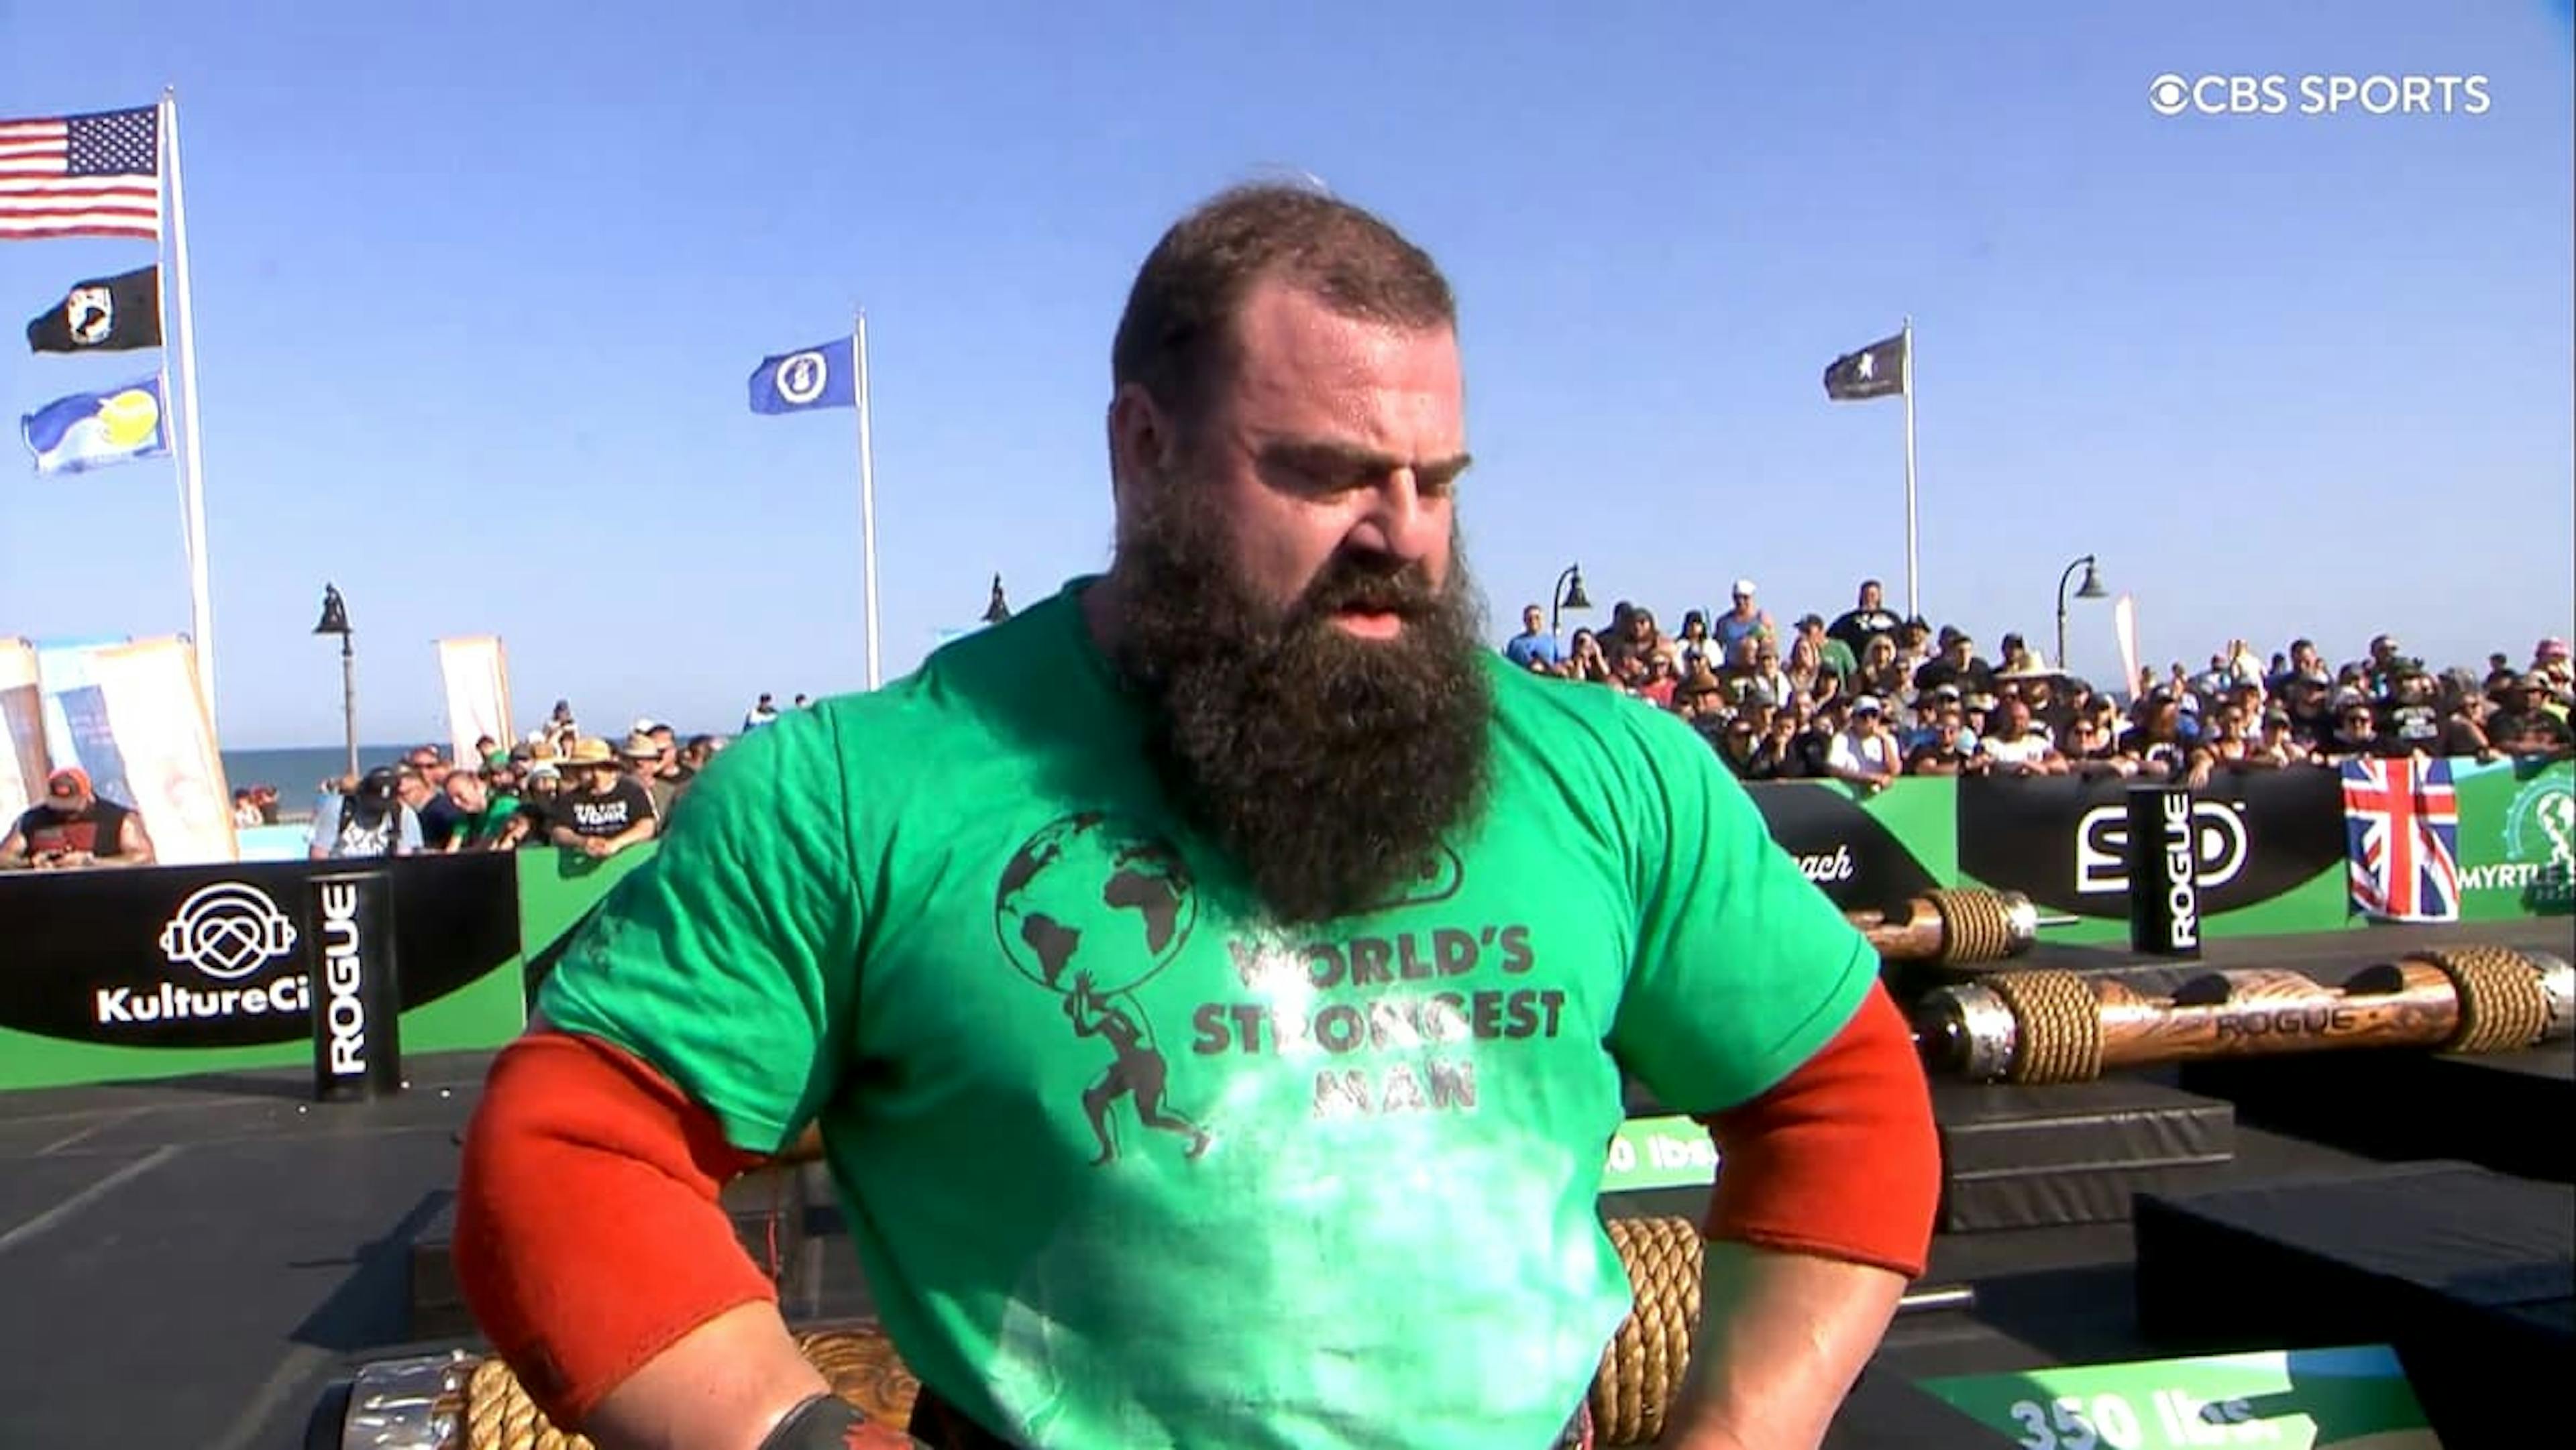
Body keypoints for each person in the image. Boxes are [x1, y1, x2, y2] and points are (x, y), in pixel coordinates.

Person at [455, 184, 1937, 1450]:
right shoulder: (863, 790)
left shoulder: (1613, 771)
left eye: (1436, 480)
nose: (1404, 535)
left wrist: (1744, 1428)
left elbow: (1842, 1096)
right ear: (1144, 451)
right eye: (1327, 473)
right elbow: (571, 1151)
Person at [1, 767, 155, 870]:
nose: (65, 812)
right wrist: (31, 864)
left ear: (88, 796)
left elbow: (143, 857)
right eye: (59, 805)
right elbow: (4, 858)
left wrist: (90, 863)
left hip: (104, 896)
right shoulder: (32, 820)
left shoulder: (119, 819)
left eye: (71, 805)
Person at [309, 767, 423, 859]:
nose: (379, 811)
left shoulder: (403, 815)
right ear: (362, 794)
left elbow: (405, 861)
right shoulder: (338, 809)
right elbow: (319, 856)